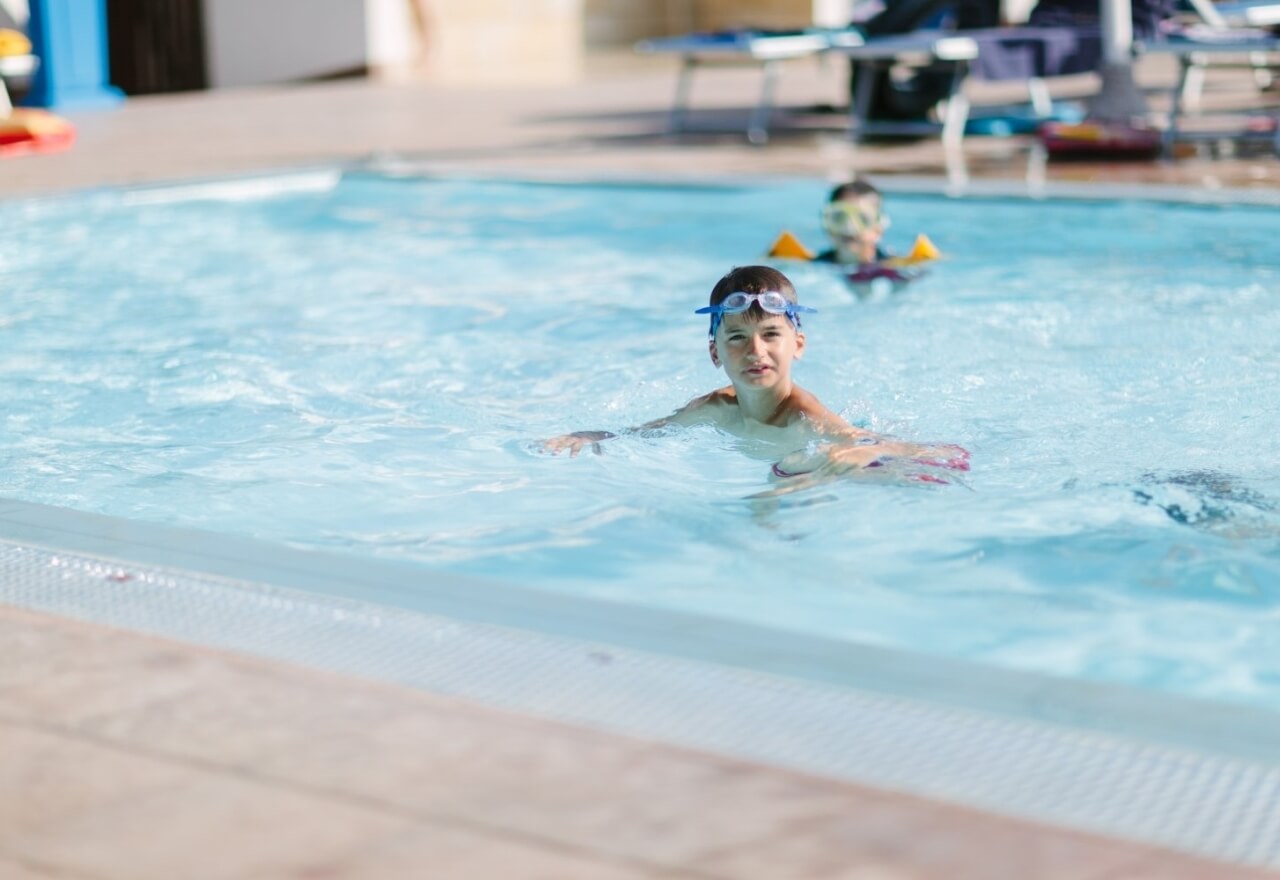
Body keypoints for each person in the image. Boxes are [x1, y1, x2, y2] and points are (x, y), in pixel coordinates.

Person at [541, 265, 968, 485]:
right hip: (794, 459)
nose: (755, 351)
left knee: (783, 484)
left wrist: (856, 457)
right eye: (737, 337)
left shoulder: (804, 417)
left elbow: (887, 447)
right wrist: (593, 437)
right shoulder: (714, 408)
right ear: (714, 352)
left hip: (837, 454)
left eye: (770, 334)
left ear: (797, 345)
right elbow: (645, 434)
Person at [813, 177, 892, 267]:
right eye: (838, 216)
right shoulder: (813, 267)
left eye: (863, 218)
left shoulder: (894, 270)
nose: (849, 227)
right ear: (826, 226)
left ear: (879, 229)